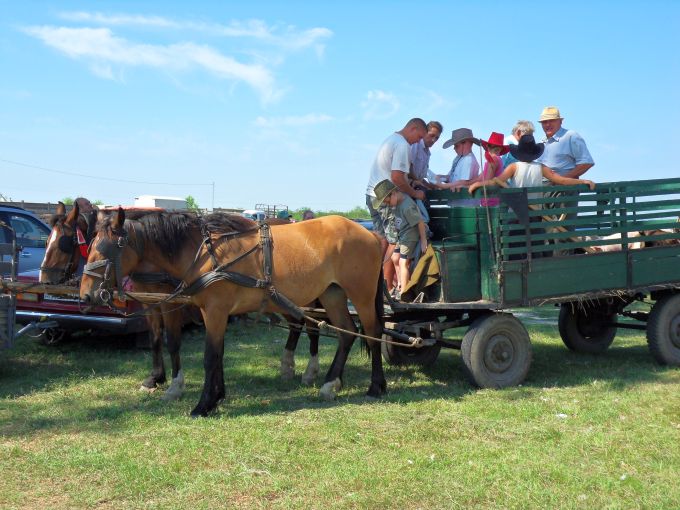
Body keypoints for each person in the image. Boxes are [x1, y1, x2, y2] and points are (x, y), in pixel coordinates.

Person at [469, 134, 595, 259]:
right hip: (534, 219)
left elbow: (495, 181)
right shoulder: (541, 168)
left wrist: (479, 184)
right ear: (535, 153)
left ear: (519, 152)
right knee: (535, 252)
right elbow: (561, 180)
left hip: (516, 217)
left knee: (515, 253)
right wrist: (582, 181)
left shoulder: (514, 167)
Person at [365, 118, 428, 243]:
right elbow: (397, 178)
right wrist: (415, 193)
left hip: (372, 195)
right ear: (413, 129)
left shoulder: (391, 139)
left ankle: (379, 263)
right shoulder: (402, 145)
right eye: (419, 136)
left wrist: (412, 181)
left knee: (381, 240)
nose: (418, 141)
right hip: (387, 199)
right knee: (394, 243)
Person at [372, 179, 428, 299]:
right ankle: (400, 284)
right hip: (402, 234)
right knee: (394, 257)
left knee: (403, 262)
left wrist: (423, 240)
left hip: (410, 234)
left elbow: (420, 222)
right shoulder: (396, 203)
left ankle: (404, 291)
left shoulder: (407, 206)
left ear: (393, 194)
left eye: (387, 201)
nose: (388, 204)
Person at [434, 128, 481, 206]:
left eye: (456, 146)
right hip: (457, 203)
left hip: (466, 206)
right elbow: (450, 176)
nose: (454, 148)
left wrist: (443, 186)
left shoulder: (469, 160)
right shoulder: (458, 158)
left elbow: (463, 182)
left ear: (466, 144)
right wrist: (441, 177)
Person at [479, 132, 509, 207]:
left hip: (491, 202)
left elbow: (487, 182)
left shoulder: (494, 160)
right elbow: (480, 178)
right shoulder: (497, 159)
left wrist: (474, 186)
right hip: (494, 200)